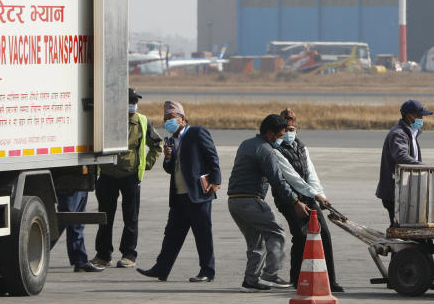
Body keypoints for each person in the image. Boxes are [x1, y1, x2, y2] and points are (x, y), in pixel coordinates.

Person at [138, 100, 222, 283]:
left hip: (198, 194)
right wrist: (168, 157)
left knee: (202, 234)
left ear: (182, 119)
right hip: (178, 195)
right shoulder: (171, 140)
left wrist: (216, 181)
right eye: (165, 118)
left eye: (172, 118)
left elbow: (212, 157)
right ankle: (161, 269)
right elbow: (170, 168)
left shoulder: (197, 133)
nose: (168, 121)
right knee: (172, 234)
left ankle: (207, 271)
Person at [227, 113, 310, 292]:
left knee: (256, 242)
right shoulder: (266, 150)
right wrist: (296, 201)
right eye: (280, 135)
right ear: (270, 134)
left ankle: (251, 281)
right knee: (277, 233)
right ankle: (270, 275)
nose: (281, 139)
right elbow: (278, 181)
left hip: (234, 202)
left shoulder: (246, 144)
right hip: (251, 200)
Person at [271, 107, 343, 292]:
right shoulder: (276, 151)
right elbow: (292, 177)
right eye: (285, 123)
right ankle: (296, 279)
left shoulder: (302, 148)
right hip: (289, 200)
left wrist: (321, 196)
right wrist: (315, 194)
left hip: (309, 197)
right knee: (301, 236)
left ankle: (331, 281)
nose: (289, 126)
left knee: (324, 235)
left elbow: (311, 175)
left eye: (292, 121)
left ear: (297, 125)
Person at [92, 88, 163, 269]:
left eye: (134, 102)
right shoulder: (107, 120)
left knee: (130, 218)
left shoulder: (141, 121)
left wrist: (146, 164)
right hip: (107, 175)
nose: (133, 105)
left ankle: (129, 254)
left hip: (130, 176)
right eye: (130, 102)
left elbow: (157, 144)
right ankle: (103, 255)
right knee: (105, 217)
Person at [376, 99, 433, 226]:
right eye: (420, 116)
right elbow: (401, 157)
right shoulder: (399, 134)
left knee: (405, 226)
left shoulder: (411, 133)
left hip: (405, 191)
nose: (422, 119)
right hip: (394, 192)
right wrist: (426, 167)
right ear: (409, 117)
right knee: (400, 227)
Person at [53, 187, 103, 273]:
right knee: (66, 217)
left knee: (77, 221)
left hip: (81, 180)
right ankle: (34, 252)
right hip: (70, 180)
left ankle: (80, 260)